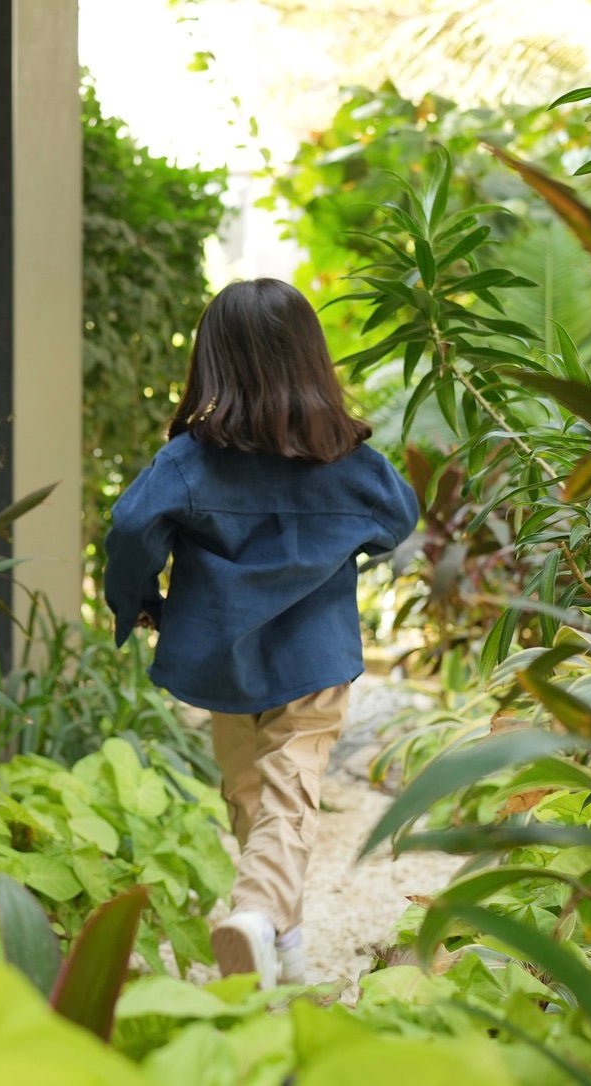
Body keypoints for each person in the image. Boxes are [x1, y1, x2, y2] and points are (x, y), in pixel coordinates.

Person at [104, 277, 418, 987]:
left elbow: (128, 526)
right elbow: (400, 517)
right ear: (311, 362)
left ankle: (283, 946)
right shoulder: (349, 462)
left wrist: (140, 598)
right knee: (285, 798)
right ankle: (259, 921)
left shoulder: (189, 462)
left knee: (253, 795)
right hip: (313, 659)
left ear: (212, 363)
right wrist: (341, 548)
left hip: (221, 659)